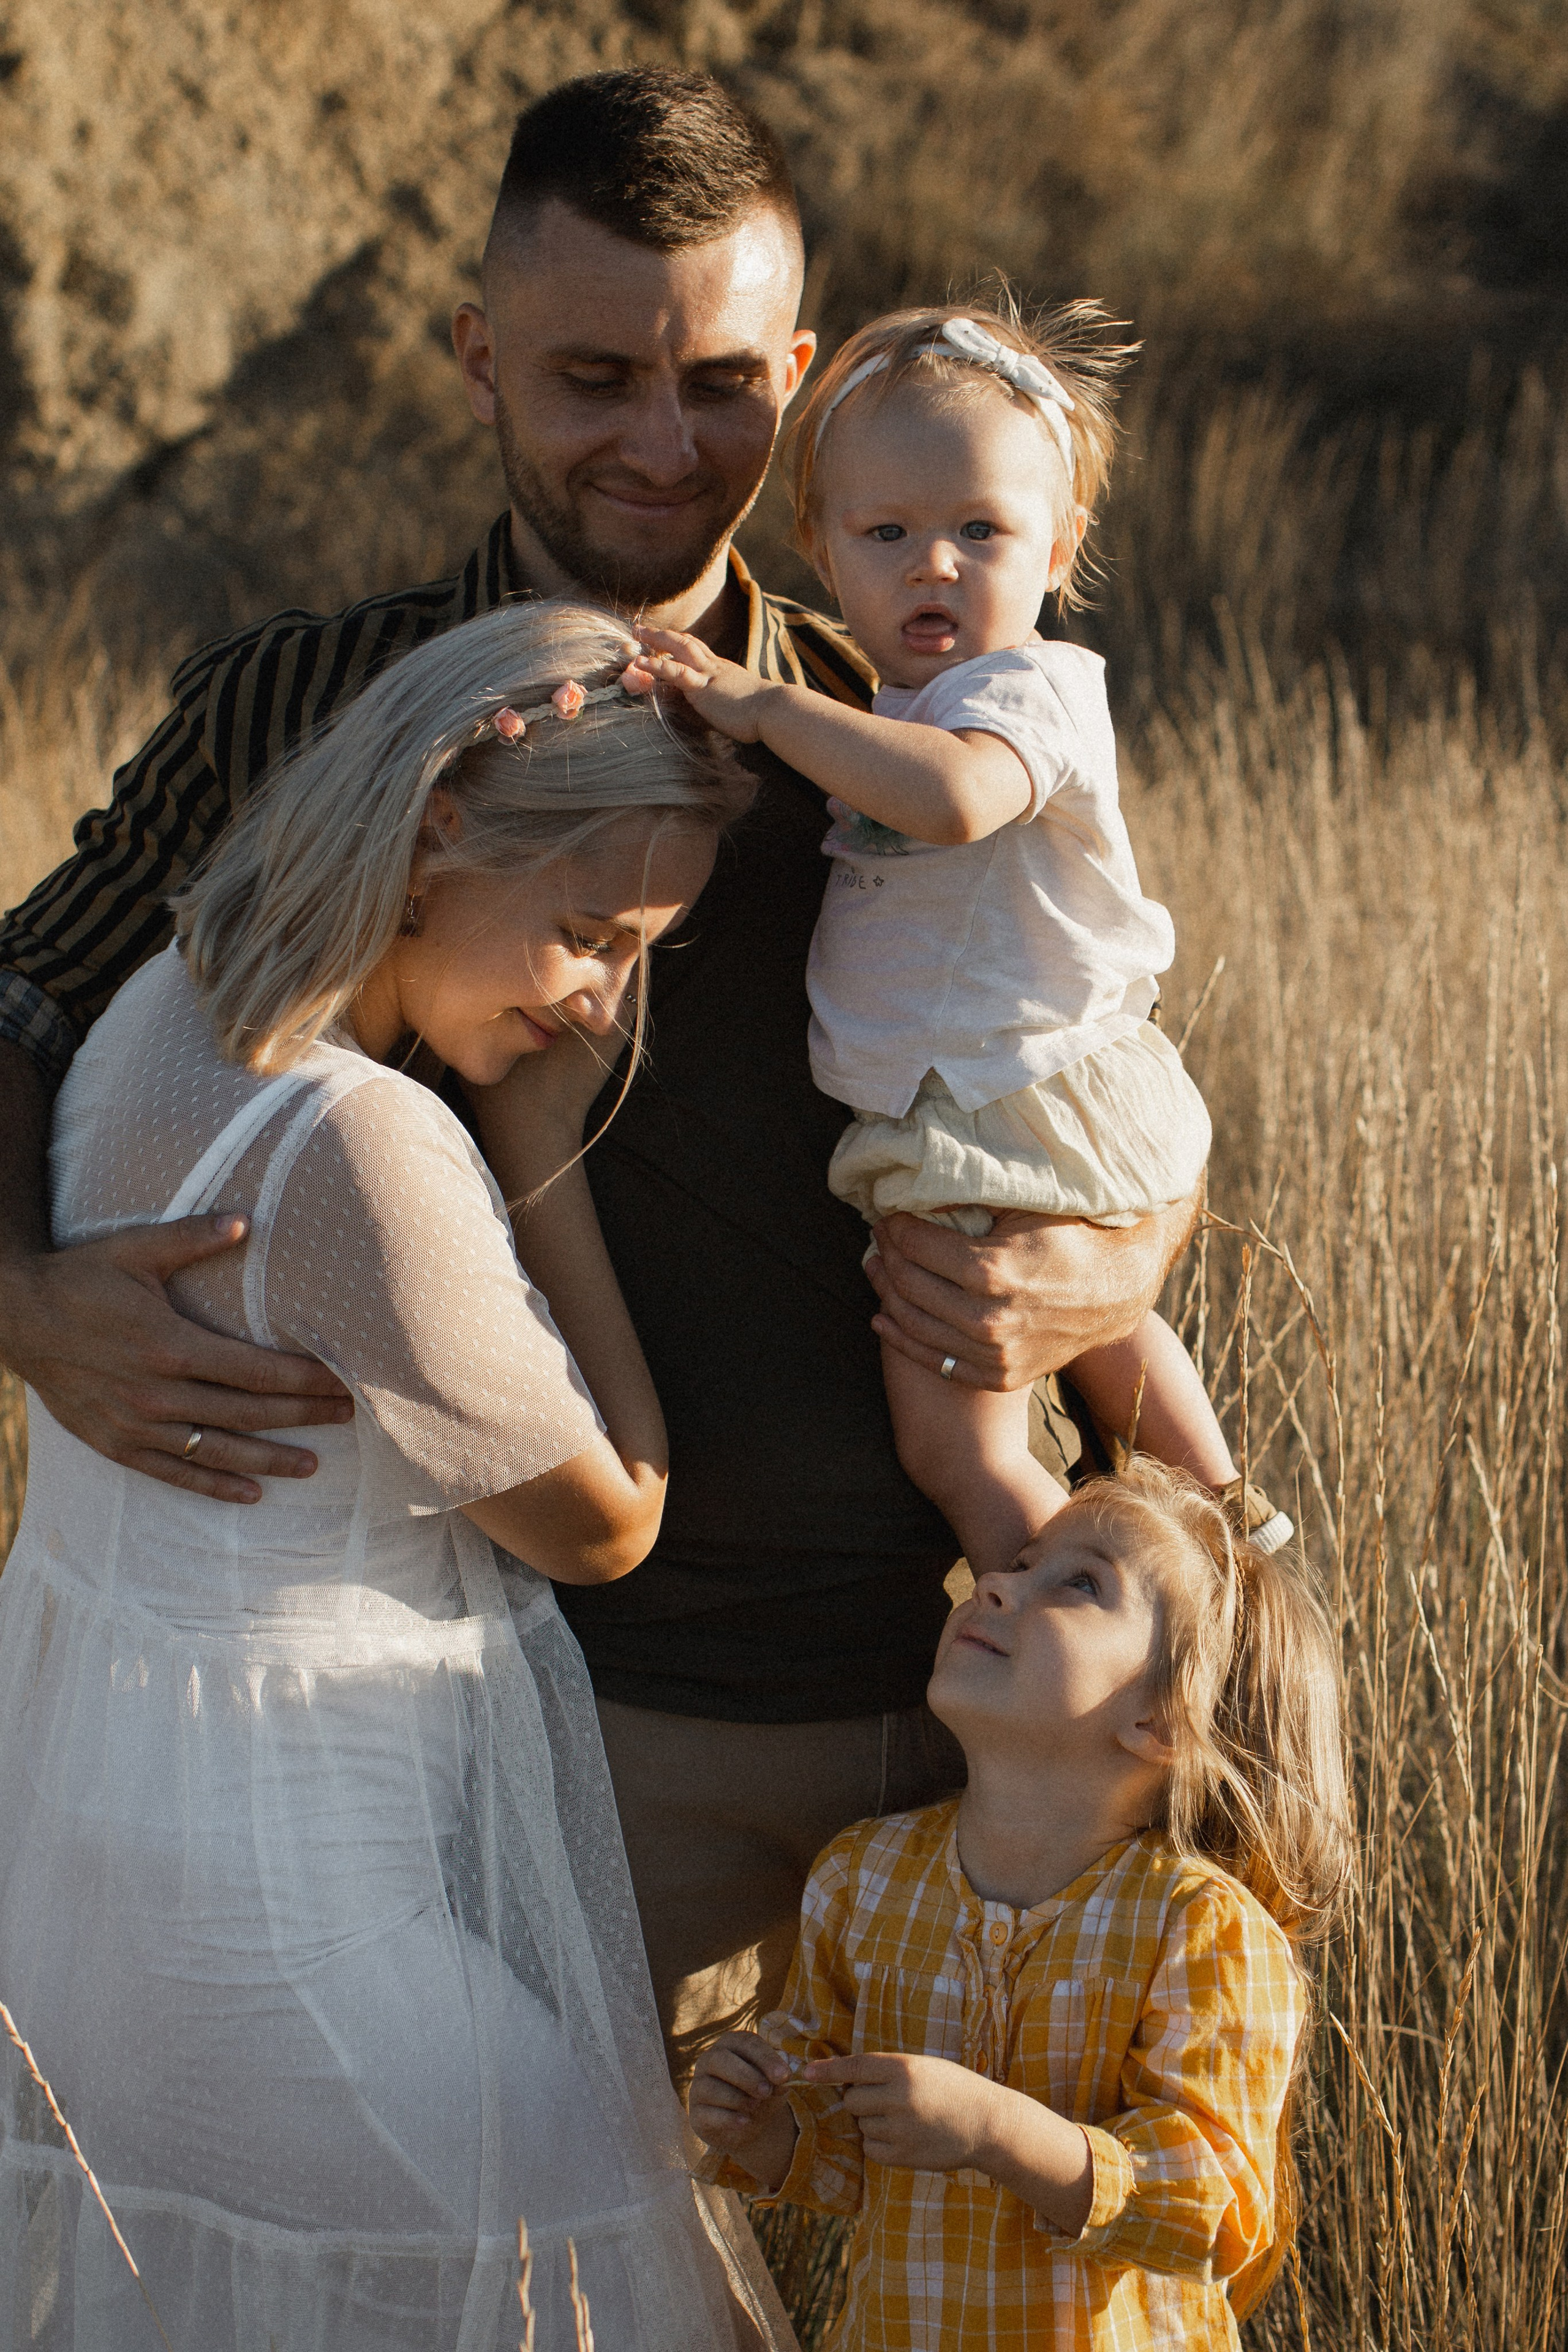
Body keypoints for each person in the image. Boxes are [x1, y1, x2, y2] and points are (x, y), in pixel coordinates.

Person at [0, 69, 1197, 2079]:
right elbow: (24, 1004)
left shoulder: (907, 719)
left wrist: (1120, 1256)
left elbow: (1102, 1059)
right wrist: (27, 1306)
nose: (662, 446)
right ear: (477, 356)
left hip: (968, 1688)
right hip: (544, 1706)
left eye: (724, 384)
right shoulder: (308, 705)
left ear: (800, 374)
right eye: (588, 377)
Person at [0, 600, 797, 2351]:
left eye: (640, 951)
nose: (600, 998)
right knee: (640, 2310)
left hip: (102, 1900)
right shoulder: (361, 1140)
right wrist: (537, 1156)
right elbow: (609, 1520)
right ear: (445, 819)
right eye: (586, 930)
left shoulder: (157, 1006)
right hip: (289, 1938)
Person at [628, 298, 1295, 1582]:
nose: (932, 565)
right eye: (888, 533)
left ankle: (1074, 1646)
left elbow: (952, 797)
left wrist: (762, 707)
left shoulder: (1024, 692)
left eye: (979, 531)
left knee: (962, 1450)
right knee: (1109, 1345)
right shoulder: (891, 702)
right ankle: (1229, 1533)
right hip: (996, 1092)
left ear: (1059, 547)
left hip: (1004, 1098)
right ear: (821, 547)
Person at [688, 1458, 1352, 2350]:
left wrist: (1000, 2133)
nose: (997, 1583)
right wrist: (767, 2126)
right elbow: (843, 2162)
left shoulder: (1203, 1927)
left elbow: (1219, 2211)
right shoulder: (865, 1875)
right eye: (1021, 1563)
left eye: (1079, 1583)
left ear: (1160, 1719)